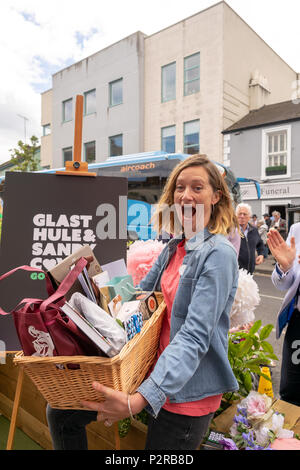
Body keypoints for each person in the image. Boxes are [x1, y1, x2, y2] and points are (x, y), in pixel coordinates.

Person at [46, 154, 240, 450]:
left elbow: (194, 336)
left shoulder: (218, 255)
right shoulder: (175, 247)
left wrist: (139, 399)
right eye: (179, 187)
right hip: (149, 373)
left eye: (197, 187)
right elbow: (137, 299)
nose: (186, 194)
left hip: (186, 394)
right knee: (60, 412)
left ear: (216, 196)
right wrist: (92, 284)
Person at [267, 225, 300, 406]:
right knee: (291, 393)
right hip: (298, 326)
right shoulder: (297, 230)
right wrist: (285, 266)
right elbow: (283, 283)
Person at [236, 203, 264, 274]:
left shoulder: (254, 230)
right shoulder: (230, 231)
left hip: (249, 272)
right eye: (240, 214)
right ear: (236, 216)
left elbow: (260, 243)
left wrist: (261, 254)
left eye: (245, 214)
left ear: (249, 217)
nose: (242, 216)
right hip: (234, 273)